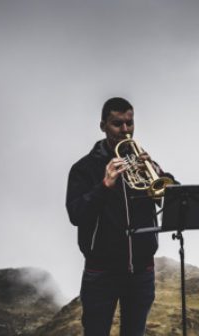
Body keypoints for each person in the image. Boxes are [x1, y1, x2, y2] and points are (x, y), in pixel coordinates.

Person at [66, 97, 175, 336]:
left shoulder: (143, 163)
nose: (125, 130)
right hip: (101, 273)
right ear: (103, 126)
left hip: (141, 271)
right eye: (117, 124)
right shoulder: (84, 168)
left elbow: (174, 196)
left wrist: (157, 171)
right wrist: (104, 186)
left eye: (130, 123)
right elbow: (76, 214)